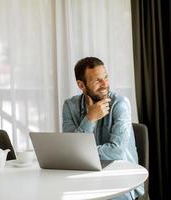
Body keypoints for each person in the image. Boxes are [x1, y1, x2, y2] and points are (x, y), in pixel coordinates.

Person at [62, 57, 144, 200]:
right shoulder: (70, 106)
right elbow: (70, 149)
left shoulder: (120, 104)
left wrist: (80, 152)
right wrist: (90, 119)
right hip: (85, 178)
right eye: (97, 80)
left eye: (105, 77)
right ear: (81, 85)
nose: (105, 84)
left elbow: (116, 152)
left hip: (121, 179)